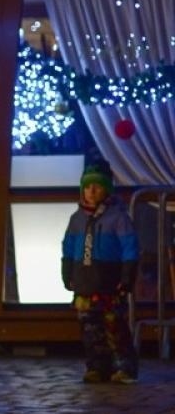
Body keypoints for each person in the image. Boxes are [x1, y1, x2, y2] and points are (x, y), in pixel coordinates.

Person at [63, 165, 139, 384]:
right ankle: (97, 365)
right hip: (85, 281)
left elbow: (129, 248)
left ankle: (124, 366)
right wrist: (67, 271)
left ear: (107, 189)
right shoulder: (77, 219)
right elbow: (68, 247)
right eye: (87, 187)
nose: (92, 191)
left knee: (114, 325)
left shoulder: (118, 218)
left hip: (109, 281)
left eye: (97, 186)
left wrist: (127, 277)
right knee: (89, 327)